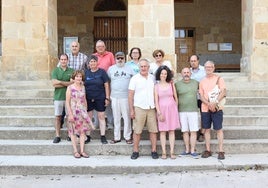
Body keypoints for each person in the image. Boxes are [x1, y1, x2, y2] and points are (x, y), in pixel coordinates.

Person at [57, 41, 91, 143]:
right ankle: (70, 133)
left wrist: (83, 81)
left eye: (76, 46)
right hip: (70, 85)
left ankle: (79, 132)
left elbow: (87, 70)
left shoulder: (84, 57)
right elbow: (59, 68)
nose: (74, 47)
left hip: (80, 86)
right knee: (70, 112)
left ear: (79, 47)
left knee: (78, 112)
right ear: (70, 47)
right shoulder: (66, 57)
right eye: (73, 46)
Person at [128, 59, 159, 160]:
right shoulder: (134, 79)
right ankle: (135, 151)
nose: (143, 68)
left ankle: (154, 151)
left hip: (151, 108)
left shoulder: (153, 78)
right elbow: (130, 96)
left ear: (148, 67)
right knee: (137, 131)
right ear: (139, 67)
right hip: (139, 108)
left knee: (153, 131)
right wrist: (131, 110)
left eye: (145, 66)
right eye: (141, 66)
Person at [199, 60, 226, 160]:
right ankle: (208, 150)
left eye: (210, 67)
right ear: (204, 69)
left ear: (214, 68)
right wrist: (208, 103)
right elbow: (201, 96)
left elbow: (223, 92)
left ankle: (221, 150)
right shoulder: (202, 81)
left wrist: (215, 102)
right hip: (205, 108)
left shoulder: (219, 79)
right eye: (206, 67)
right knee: (206, 129)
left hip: (217, 108)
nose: (208, 69)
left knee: (219, 129)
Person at [65, 70, 95, 158]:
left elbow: (84, 99)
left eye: (80, 76)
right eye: (77, 76)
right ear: (74, 78)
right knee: (73, 132)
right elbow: (67, 102)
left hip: (82, 112)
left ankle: (82, 151)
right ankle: (75, 151)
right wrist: (70, 114)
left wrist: (85, 110)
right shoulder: (70, 88)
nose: (79, 78)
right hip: (73, 111)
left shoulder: (83, 87)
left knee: (82, 131)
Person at [107, 52, 134, 144]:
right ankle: (117, 137)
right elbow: (108, 81)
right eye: (118, 58)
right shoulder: (111, 69)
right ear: (115, 59)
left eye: (122, 58)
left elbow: (134, 81)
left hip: (126, 97)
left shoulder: (130, 68)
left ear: (125, 59)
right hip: (114, 97)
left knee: (126, 118)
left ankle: (127, 136)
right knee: (116, 117)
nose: (120, 60)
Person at [154, 65, 180, 159]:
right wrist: (159, 113)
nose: (163, 75)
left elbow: (176, 98)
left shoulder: (171, 84)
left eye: (165, 73)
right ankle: (164, 152)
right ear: (159, 74)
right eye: (162, 73)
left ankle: (172, 151)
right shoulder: (156, 86)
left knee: (172, 131)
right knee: (162, 132)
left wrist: (175, 109)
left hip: (172, 110)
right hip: (162, 111)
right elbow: (156, 101)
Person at [84, 55, 110, 144]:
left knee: (101, 116)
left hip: (100, 97)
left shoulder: (102, 72)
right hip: (88, 98)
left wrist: (107, 97)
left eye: (94, 61)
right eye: (91, 62)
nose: (92, 63)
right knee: (89, 117)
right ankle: (88, 135)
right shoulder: (86, 73)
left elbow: (106, 85)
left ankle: (103, 136)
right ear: (88, 63)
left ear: (97, 62)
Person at [175, 67, 199, 157]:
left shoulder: (196, 83)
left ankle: (193, 150)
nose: (186, 74)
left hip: (193, 110)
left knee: (193, 131)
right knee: (184, 131)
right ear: (181, 74)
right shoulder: (177, 85)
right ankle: (187, 149)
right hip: (182, 111)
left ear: (190, 73)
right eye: (184, 72)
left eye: (188, 72)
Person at [51, 54, 74, 143]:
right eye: (62, 59)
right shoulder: (55, 71)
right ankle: (57, 135)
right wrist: (67, 83)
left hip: (69, 97)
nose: (63, 61)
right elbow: (54, 84)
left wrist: (59, 82)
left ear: (67, 60)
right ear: (59, 60)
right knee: (58, 117)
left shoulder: (72, 71)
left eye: (65, 59)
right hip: (58, 97)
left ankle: (70, 134)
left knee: (69, 117)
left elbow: (73, 83)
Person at [93, 40, 115, 130]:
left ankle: (110, 123)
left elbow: (113, 67)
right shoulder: (93, 56)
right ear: (96, 48)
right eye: (98, 47)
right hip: (97, 82)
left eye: (102, 46)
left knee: (108, 102)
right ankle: (96, 123)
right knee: (96, 102)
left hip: (108, 81)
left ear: (105, 47)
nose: (100, 48)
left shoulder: (110, 55)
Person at [189, 54, 206, 143]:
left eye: (194, 61)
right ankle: (193, 132)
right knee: (192, 116)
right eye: (191, 61)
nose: (193, 63)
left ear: (198, 61)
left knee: (204, 115)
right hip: (192, 98)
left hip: (202, 97)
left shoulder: (204, 70)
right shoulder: (188, 71)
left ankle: (202, 133)